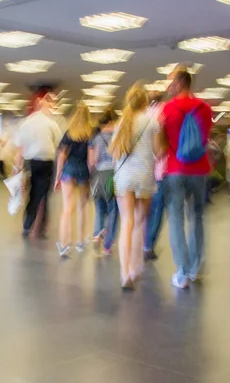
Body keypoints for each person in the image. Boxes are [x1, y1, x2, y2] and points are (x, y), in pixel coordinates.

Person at [162, 69, 213, 289]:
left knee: (175, 219)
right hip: (199, 169)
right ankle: (195, 269)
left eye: (171, 81)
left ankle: (181, 273)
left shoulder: (167, 109)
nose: (168, 86)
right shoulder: (205, 109)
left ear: (181, 82)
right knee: (197, 217)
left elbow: (162, 142)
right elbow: (205, 139)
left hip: (175, 169)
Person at [110, 84, 162, 289]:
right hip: (144, 176)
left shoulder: (122, 122)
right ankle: (136, 265)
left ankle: (125, 274)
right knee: (140, 222)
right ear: (146, 103)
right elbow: (158, 152)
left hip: (123, 178)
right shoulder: (152, 122)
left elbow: (114, 154)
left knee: (127, 223)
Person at [15, 94, 62, 239]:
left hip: (31, 162)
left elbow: (20, 148)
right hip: (47, 162)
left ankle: (27, 224)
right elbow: (59, 145)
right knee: (45, 196)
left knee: (33, 194)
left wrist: (17, 167)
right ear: (44, 106)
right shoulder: (51, 123)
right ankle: (41, 228)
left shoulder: (26, 123)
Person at [55, 103, 94, 257]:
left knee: (67, 208)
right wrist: (91, 176)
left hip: (69, 170)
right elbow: (91, 160)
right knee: (82, 207)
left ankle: (64, 245)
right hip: (83, 171)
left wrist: (58, 175)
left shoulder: (68, 133)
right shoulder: (90, 133)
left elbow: (61, 155)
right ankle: (80, 241)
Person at [90, 108, 119, 256]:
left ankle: (96, 235)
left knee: (99, 209)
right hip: (112, 176)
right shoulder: (117, 137)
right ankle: (107, 245)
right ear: (112, 122)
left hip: (98, 176)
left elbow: (92, 161)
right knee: (113, 210)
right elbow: (117, 158)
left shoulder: (96, 138)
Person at [144, 91, 166, 261]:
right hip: (161, 170)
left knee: (143, 209)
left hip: (142, 170)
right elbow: (161, 149)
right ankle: (148, 245)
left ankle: (140, 241)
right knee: (157, 209)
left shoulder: (141, 114)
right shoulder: (164, 113)